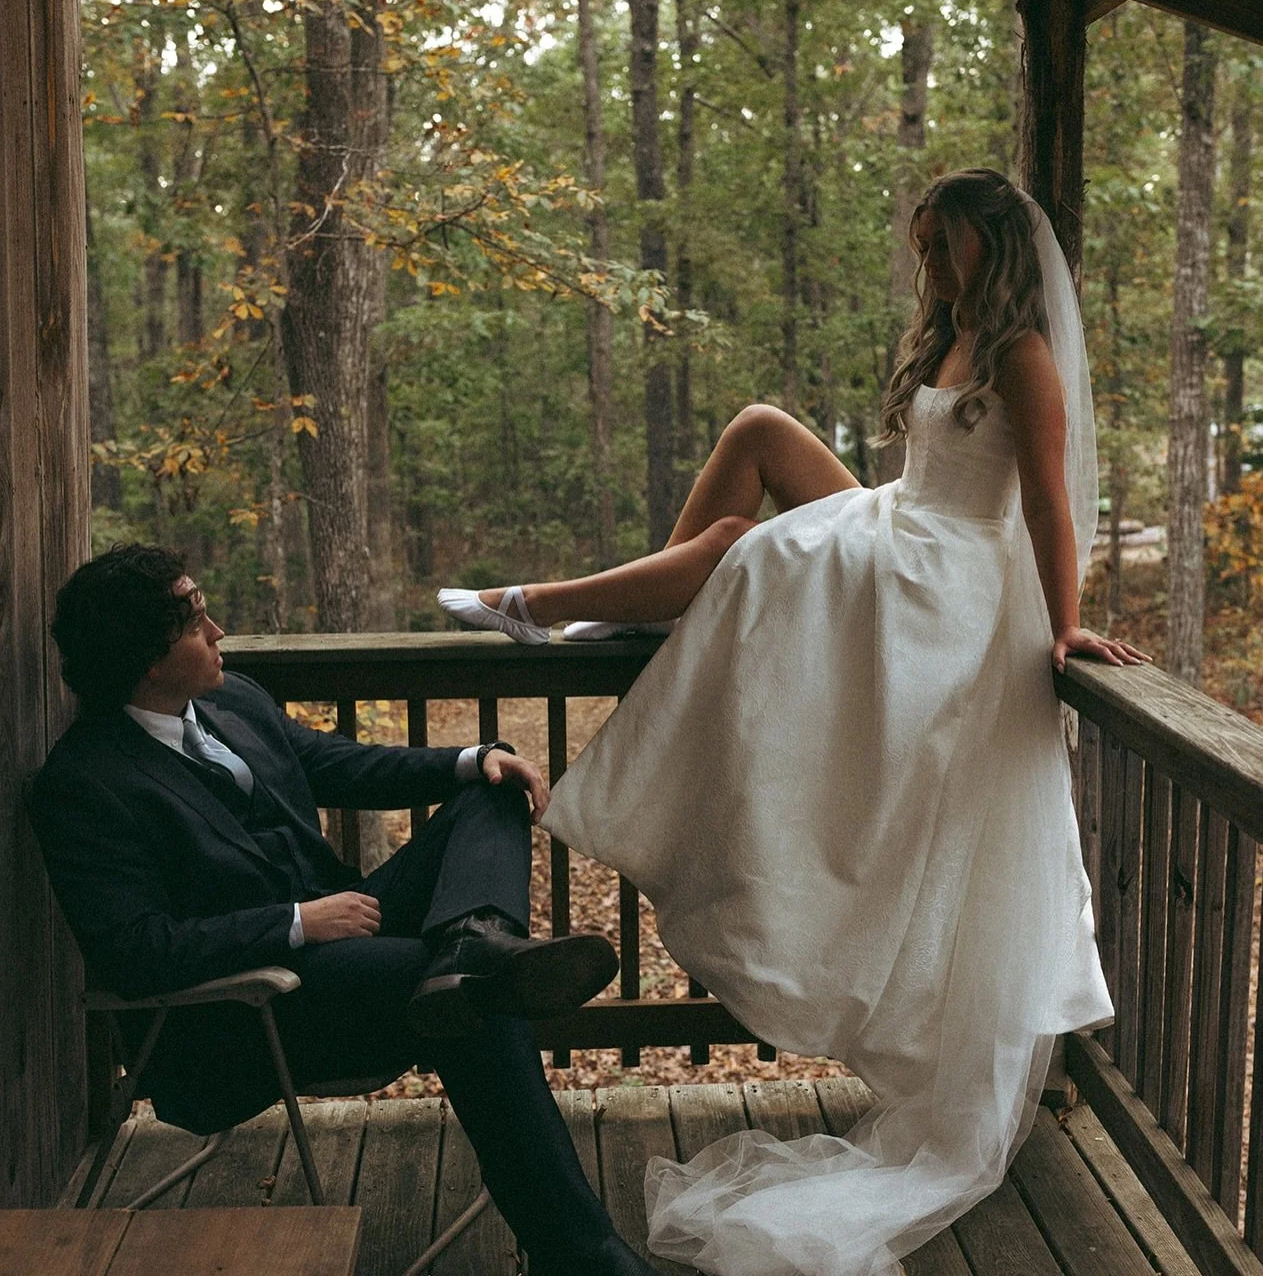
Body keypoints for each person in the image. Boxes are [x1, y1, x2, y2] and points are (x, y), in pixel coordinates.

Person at [439, 169, 1143, 1275]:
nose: (930, 268)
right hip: (898, 523)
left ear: (991, 247)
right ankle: (645, 602)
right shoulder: (954, 336)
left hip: (937, 579)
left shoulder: (1020, 353)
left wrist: (1064, 631)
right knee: (760, 431)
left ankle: (545, 603)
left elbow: (1047, 500)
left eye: (944, 247)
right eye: (921, 248)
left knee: (739, 549)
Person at [28, 543, 654, 1276]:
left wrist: (469, 757)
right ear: (146, 658)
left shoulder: (232, 701)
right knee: (465, 995)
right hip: (245, 1012)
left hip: (344, 942)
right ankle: (582, 1252)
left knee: (490, 794)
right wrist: (297, 921)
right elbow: (137, 950)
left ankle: (476, 944)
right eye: (197, 621)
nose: (219, 630)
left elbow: (335, 762)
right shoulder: (84, 783)